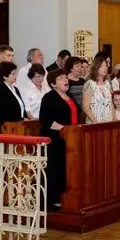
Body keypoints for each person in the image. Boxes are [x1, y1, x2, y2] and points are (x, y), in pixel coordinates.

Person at [38, 69, 80, 209]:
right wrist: (65, 129)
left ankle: (67, 195)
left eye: (65, 77)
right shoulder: (49, 97)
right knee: (55, 168)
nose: (65, 80)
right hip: (55, 140)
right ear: (52, 83)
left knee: (67, 168)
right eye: (61, 78)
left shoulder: (70, 96)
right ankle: (52, 199)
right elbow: (46, 120)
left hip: (71, 138)